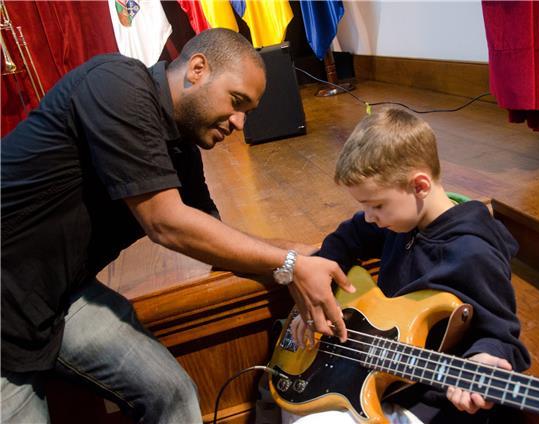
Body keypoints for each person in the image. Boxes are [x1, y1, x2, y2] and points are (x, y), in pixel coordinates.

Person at [1, 28, 353, 423]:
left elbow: (212, 235)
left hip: (60, 298)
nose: (239, 123)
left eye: (248, 112)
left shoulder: (182, 143)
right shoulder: (116, 84)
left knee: (173, 394)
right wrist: (290, 263)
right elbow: (166, 222)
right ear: (198, 69)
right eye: (236, 102)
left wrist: (310, 254)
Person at [281, 108, 531, 423]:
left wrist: (482, 359)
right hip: (381, 362)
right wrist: (319, 290)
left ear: (420, 186)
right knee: (293, 396)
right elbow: (349, 235)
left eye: (376, 206)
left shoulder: (472, 254)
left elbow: (503, 337)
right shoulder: (402, 219)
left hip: (425, 399)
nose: (370, 217)